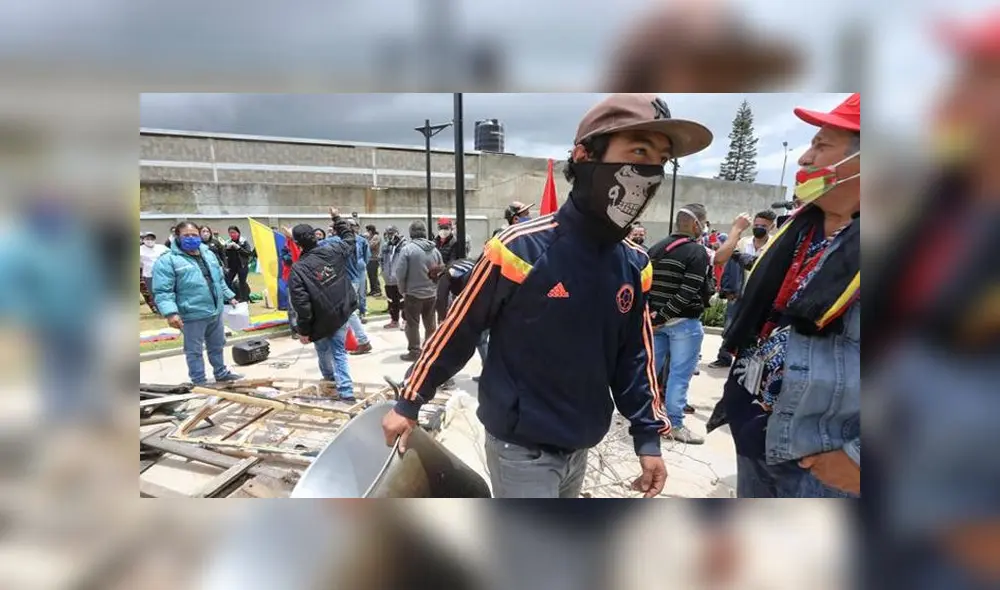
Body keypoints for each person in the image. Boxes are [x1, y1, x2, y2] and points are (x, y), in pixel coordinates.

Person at [382, 93, 712, 498]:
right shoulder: (519, 249)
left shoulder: (635, 264)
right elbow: (459, 329)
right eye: (638, 150)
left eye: (660, 159)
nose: (649, 171)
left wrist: (648, 437)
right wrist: (410, 401)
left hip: (581, 445)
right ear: (585, 155)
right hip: (521, 449)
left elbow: (635, 358)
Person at [710, 93, 860, 498]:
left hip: (828, 466)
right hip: (758, 440)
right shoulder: (797, 233)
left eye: (823, 145)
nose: (804, 159)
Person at [646, 204, 718, 445]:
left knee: (649, 373)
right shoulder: (696, 252)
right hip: (683, 324)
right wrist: (665, 316)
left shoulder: (656, 248)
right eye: (704, 222)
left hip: (656, 324)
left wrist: (654, 318)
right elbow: (688, 291)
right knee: (679, 375)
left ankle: (643, 418)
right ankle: (674, 424)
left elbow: (645, 286)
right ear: (696, 223)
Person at [153, 221, 243, 385]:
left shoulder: (208, 254)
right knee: (194, 351)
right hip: (192, 314)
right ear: (177, 237)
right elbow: (162, 291)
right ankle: (199, 381)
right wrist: (171, 313)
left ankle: (221, 373)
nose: (191, 238)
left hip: (215, 311)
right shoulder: (168, 261)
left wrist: (230, 296)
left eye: (194, 235)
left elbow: (219, 279)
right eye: (186, 235)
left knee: (217, 345)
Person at [287, 224, 359, 401]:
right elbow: (350, 238)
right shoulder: (332, 250)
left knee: (324, 351)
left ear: (297, 243)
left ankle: (329, 380)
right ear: (315, 236)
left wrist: (303, 331)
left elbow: (301, 306)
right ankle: (345, 390)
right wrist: (337, 219)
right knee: (339, 352)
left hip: (320, 322)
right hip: (340, 312)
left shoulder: (298, 270)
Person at [709, 210, 776, 369]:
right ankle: (724, 357)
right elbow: (729, 267)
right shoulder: (742, 243)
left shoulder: (774, 245)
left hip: (760, 295)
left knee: (755, 330)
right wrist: (727, 289)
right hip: (738, 293)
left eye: (763, 226)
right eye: (757, 225)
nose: (759, 228)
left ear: (772, 227)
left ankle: (748, 362)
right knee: (730, 326)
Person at [320, 208, 373, 355]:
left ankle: (362, 340)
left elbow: (314, 245)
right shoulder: (354, 240)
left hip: (346, 282)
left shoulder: (334, 241)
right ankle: (351, 340)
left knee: (348, 313)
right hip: (354, 277)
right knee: (346, 312)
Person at [394, 220, 443, 362]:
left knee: (412, 324)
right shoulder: (435, 249)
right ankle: (429, 350)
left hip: (413, 294)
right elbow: (441, 270)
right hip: (431, 293)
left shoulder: (407, 250)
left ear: (411, 233)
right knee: (430, 323)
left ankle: (415, 351)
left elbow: (400, 273)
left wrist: (402, 290)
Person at [432, 217, 471, 324]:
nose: (443, 231)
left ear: (450, 228)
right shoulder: (434, 242)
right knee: (438, 302)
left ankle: (446, 323)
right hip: (435, 276)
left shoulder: (455, 243)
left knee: (446, 301)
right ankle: (440, 322)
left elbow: (452, 261)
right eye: (441, 228)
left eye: (446, 228)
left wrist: (442, 269)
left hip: (448, 276)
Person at [380, 225, 405, 329]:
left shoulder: (404, 246)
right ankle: (394, 320)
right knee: (391, 301)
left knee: (402, 301)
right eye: (387, 234)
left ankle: (405, 320)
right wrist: (384, 271)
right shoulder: (385, 246)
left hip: (399, 279)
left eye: (391, 233)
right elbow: (381, 259)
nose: (389, 236)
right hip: (388, 279)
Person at [140, 232, 169, 314]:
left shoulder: (162, 247)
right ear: (143, 240)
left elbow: (170, 255)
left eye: (151, 239)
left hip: (163, 274)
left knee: (165, 292)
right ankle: (159, 311)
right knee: (153, 293)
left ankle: (167, 309)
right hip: (149, 275)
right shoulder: (140, 249)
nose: (149, 241)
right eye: (147, 239)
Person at [224, 225, 255, 302]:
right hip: (232, 266)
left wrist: (238, 248)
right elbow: (224, 254)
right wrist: (226, 249)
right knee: (227, 280)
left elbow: (248, 253)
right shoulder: (228, 242)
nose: (232, 234)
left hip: (242, 265)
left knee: (242, 282)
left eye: (234, 232)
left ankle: (244, 299)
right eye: (230, 233)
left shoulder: (243, 241)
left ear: (238, 233)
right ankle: (231, 297)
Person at [365, 224, 383, 297]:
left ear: (370, 231)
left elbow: (370, 246)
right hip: (369, 259)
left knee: (374, 276)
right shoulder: (371, 237)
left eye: (367, 230)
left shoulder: (376, 237)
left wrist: (367, 239)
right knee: (370, 275)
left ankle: (378, 290)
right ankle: (373, 290)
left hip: (374, 259)